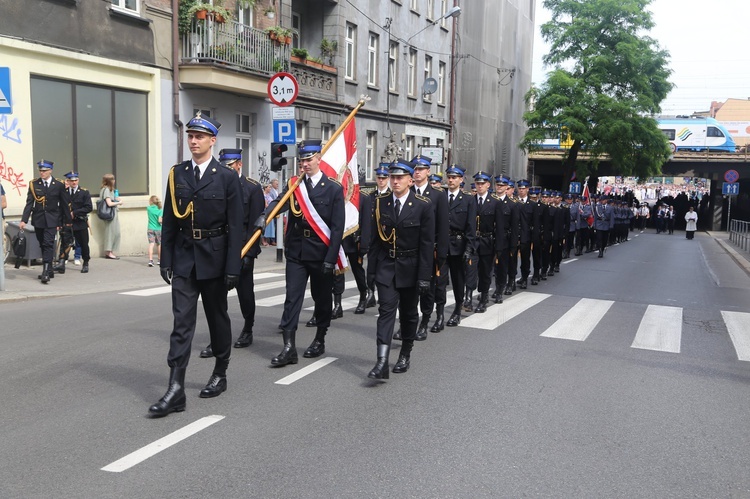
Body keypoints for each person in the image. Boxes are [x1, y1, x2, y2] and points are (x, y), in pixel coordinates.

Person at [148, 113, 244, 418]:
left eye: (200, 137)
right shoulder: (177, 174)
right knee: (182, 323)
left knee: (217, 318)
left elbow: (236, 226)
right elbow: (169, 221)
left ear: (212, 140)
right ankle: (175, 388)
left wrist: (233, 267)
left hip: (215, 258)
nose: (193, 141)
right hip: (186, 259)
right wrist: (166, 259)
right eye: (190, 136)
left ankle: (220, 371)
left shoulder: (226, 177)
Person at [255, 139, 345, 367]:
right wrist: (265, 215)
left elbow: (337, 229)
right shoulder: (295, 185)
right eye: (302, 160)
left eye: (308, 159)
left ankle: (320, 338)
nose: (304, 164)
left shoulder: (333, 188)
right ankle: (288, 348)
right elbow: (279, 202)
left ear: (318, 159)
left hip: (321, 253)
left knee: (321, 299)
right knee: (292, 298)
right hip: (296, 251)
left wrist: (330, 259)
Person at [366, 159, 435, 379]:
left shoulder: (423, 205)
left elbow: (426, 244)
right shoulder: (380, 203)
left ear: (410, 179)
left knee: (408, 314)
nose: (395, 181)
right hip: (387, 265)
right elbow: (376, 241)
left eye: (399, 177)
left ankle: (405, 353)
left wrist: (425, 277)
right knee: (386, 311)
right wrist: (371, 271)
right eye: (392, 177)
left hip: (411, 267)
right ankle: (382, 361)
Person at [199, 148, 265, 358]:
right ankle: (217, 339)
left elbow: (255, 225)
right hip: (219, 250)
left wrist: (249, 254)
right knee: (217, 298)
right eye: (223, 165)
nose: (226, 168)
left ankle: (248, 328)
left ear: (239, 164)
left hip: (243, 249)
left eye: (230, 165)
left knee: (245, 293)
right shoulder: (215, 182)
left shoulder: (253, 188)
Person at [20, 160, 71, 284]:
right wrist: (24, 220)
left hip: (53, 220)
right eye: (40, 170)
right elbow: (29, 203)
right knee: (42, 243)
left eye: (44, 171)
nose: (42, 173)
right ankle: (49, 270)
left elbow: (64, 204)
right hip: (38, 220)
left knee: (48, 243)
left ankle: (45, 271)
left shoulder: (59, 184)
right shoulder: (34, 184)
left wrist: (67, 221)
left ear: (50, 171)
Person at [472, 171, 504, 312]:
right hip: (472, 241)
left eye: (482, 184)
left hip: (487, 241)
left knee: (485, 272)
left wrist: (498, 247)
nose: (479, 186)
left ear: (488, 185)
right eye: (477, 183)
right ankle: (467, 296)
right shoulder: (470, 200)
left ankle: (484, 298)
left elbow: (500, 227)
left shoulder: (495, 202)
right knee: (470, 271)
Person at [54, 171, 92, 274]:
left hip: (80, 222)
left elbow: (89, 207)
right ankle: (61, 263)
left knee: (84, 244)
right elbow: (60, 209)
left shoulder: (84, 192)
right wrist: (58, 223)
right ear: (68, 181)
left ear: (78, 180)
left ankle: (86, 263)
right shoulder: (64, 192)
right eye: (71, 181)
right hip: (67, 223)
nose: (74, 182)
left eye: (75, 180)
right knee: (65, 244)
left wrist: (74, 212)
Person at [100, 174, 123, 259]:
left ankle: (110, 251)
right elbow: (109, 203)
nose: (114, 181)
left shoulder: (111, 190)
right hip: (110, 214)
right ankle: (108, 252)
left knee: (116, 233)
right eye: (112, 179)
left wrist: (118, 199)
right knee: (111, 233)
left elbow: (113, 198)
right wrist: (119, 203)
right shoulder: (106, 190)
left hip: (113, 213)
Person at [147, 195, 163, 267]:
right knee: (159, 244)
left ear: (151, 201)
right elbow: (160, 221)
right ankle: (159, 260)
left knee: (151, 244)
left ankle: (150, 260)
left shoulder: (148, 209)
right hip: (158, 229)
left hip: (150, 229)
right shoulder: (160, 210)